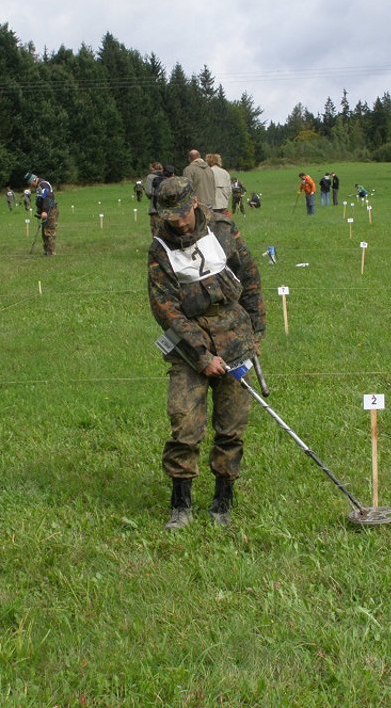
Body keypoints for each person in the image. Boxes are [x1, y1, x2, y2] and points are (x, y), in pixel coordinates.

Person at [148, 176, 266, 531]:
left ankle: (222, 503)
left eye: (183, 213)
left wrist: (256, 335)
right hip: (189, 348)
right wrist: (201, 355)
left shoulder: (224, 229)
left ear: (195, 203)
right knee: (184, 424)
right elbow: (165, 309)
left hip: (235, 340)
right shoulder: (159, 249)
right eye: (171, 216)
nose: (179, 221)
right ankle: (180, 506)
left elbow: (251, 279)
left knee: (231, 427)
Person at [25, 172, 58, 256]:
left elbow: (47, 198)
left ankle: (51, 252)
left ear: (33, 180)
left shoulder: (43, 185)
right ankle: (47, 250)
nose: (31, 186)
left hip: (50, 210)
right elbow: (40, 199)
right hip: (45, 211)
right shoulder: (39, 186)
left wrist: (44, 211)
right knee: (44, 232)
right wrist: (40, 212)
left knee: (49, 231)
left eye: (30, 183)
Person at [145, 162, 164, 234]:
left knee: (155, 229)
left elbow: (148, 192)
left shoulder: (150, 177)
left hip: (154, 208)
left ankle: (157, 244)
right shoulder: (165, 175)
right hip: (165, 208)